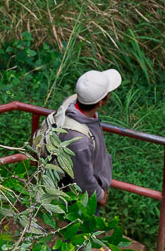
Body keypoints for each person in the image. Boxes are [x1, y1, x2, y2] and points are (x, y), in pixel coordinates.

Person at [41, 68, 121, 202]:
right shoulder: (80, 142)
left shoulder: (71, 103)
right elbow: (83, 180)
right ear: (100, 102)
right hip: (79, 198)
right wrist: (100, 196)